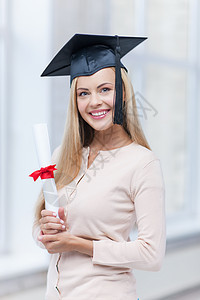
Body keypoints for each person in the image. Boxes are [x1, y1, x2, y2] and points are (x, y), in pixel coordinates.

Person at [32, 34, 166, 300]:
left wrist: (78, 244)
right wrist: (44, 231)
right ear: (75, 100)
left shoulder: (142, 163)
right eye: (84, 93)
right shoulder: (64, 155)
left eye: (105, 89)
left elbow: (152, 255)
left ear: (123, 92)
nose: (94, 102)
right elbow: (40, 229)